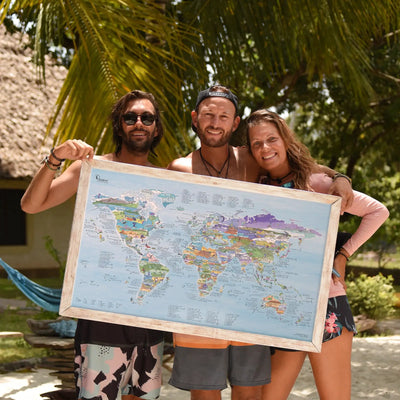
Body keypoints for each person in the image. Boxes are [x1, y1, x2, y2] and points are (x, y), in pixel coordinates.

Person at [167, 85, 355, 400]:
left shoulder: (251, 161)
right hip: (200, 298)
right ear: (195, 118)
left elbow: (302, 168)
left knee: (249, 392)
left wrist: (340, 177)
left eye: (223, 116)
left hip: (249, 300)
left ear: (235, 122)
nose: (215, 122)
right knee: (203, 393)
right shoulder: (178, 168)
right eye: (209, 114)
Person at [21, 90, 165, 400]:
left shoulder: (167, 181)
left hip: (148, 315)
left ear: (156, 127)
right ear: (119, 125)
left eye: (147, 118)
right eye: (130, 117)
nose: (139, 123)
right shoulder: (90, 169)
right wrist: (55, 158)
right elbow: (31, 206)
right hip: (102, 315)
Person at [246, 109, 389, 400]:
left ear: (285, 140)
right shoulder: (255, 186)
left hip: (327, 305)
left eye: (271, 139)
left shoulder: (320, 184)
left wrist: (344, 254)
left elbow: (378, 211)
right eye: (256, 143)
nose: (264, 148)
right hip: (280, 308)